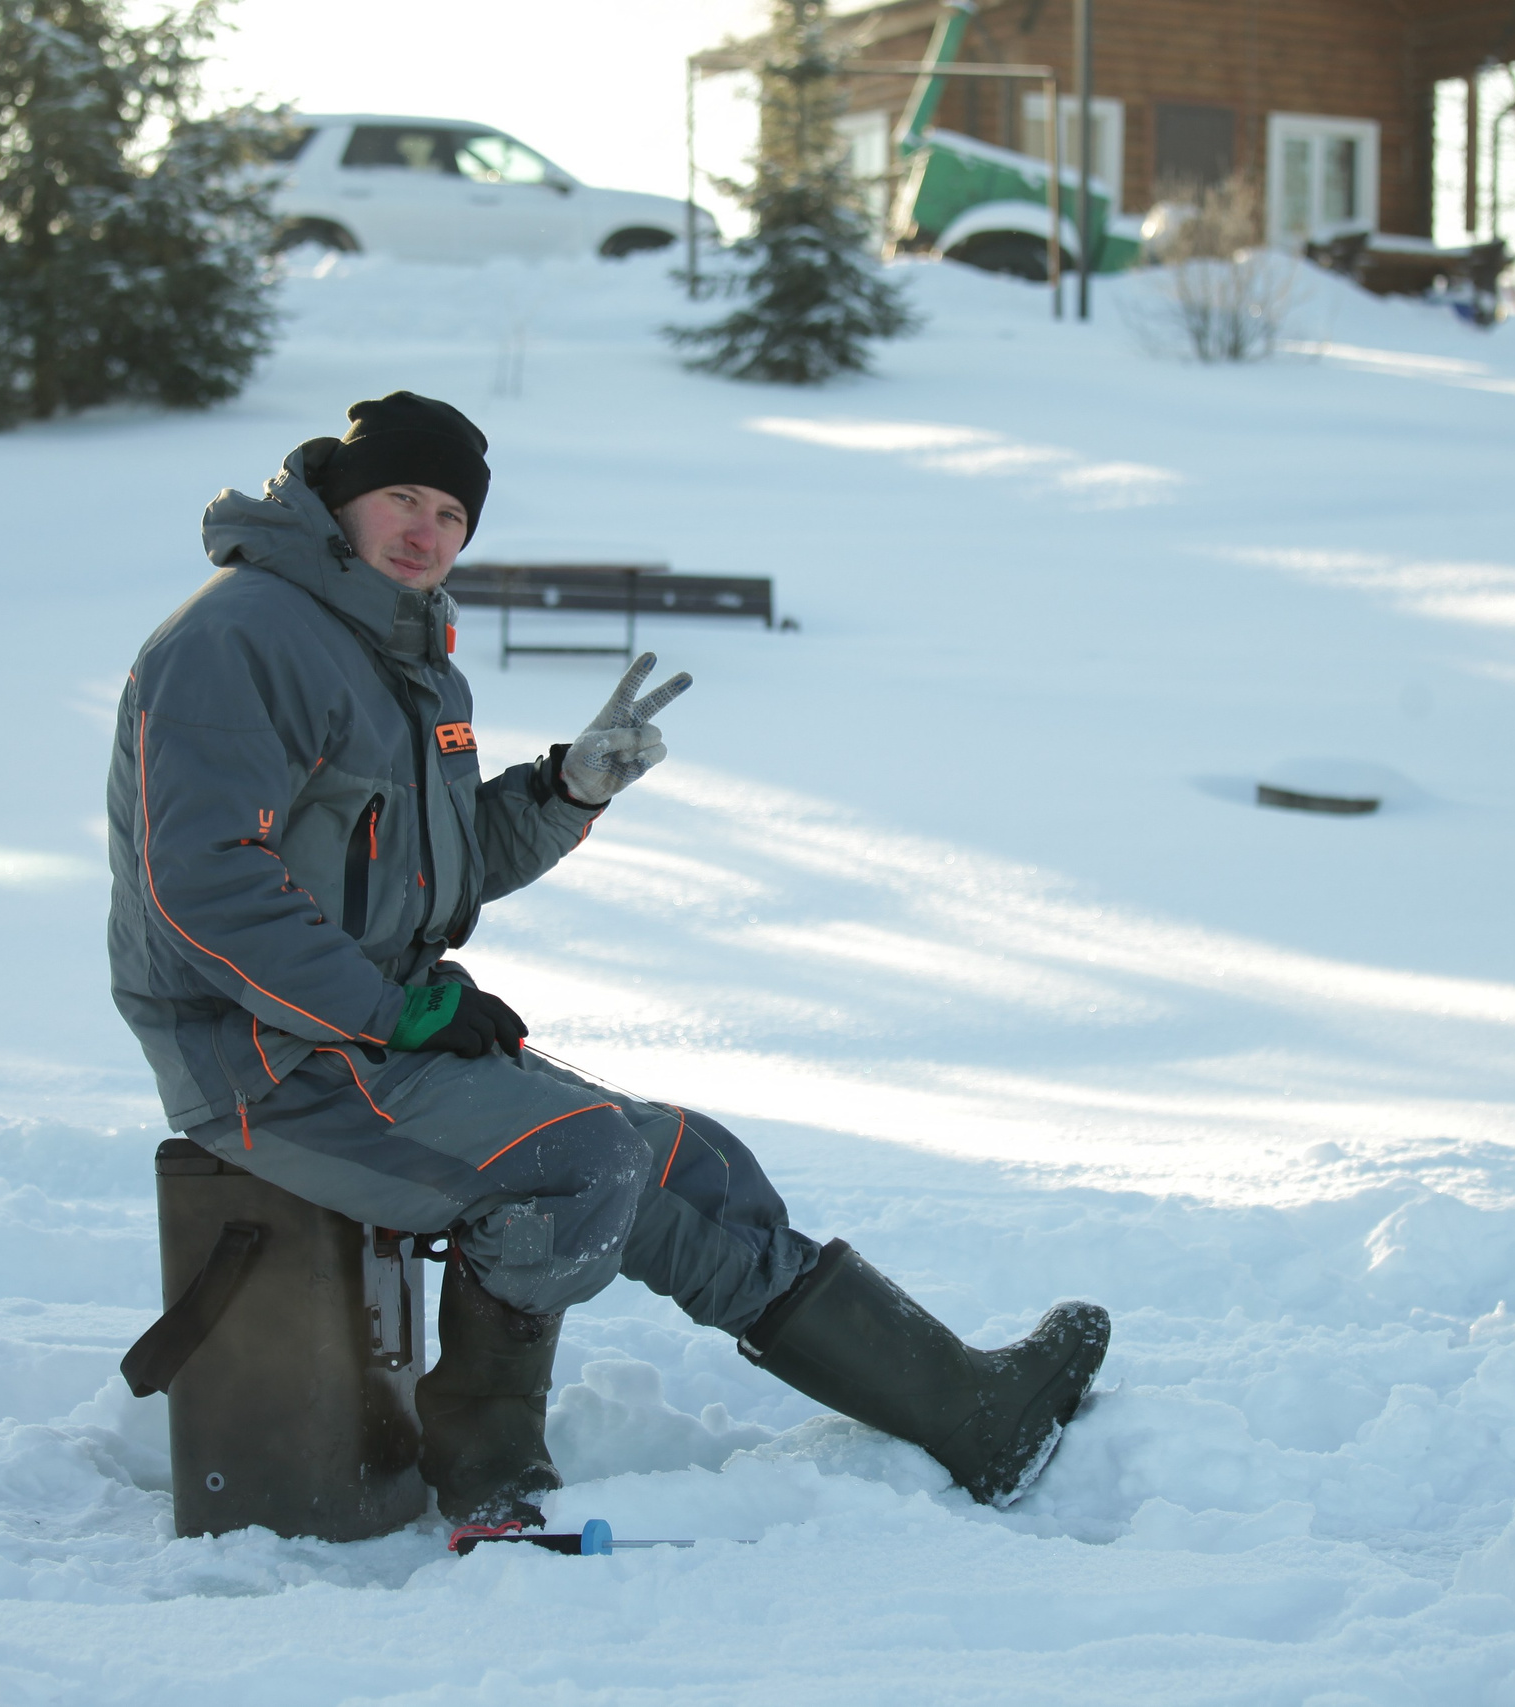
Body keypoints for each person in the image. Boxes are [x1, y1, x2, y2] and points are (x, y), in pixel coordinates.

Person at [106, 391, 1109, 1526]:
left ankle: (960, 1405)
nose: (426, 530)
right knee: (579, 1161)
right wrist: (394, 1012)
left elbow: (431, 866)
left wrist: (563, 789)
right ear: (337, 497)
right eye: (401, 497)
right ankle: (487, 1467)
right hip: (266, 1055)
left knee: (685, 1155)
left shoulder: (402, 652)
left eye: (450, 513)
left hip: (369, 1028)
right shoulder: (240, 638)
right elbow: (205, 889)